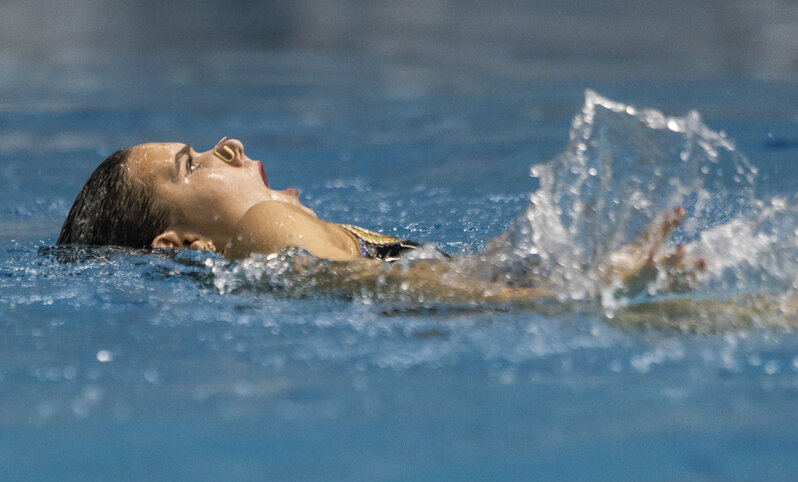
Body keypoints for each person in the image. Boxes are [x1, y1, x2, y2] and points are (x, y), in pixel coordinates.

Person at [58, 137, 699, 301]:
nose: (226, 145)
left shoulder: (285, 243)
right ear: (179, 244)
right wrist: (586, 291)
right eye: (190, 166)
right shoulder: (263, 232)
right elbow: (404, 291)